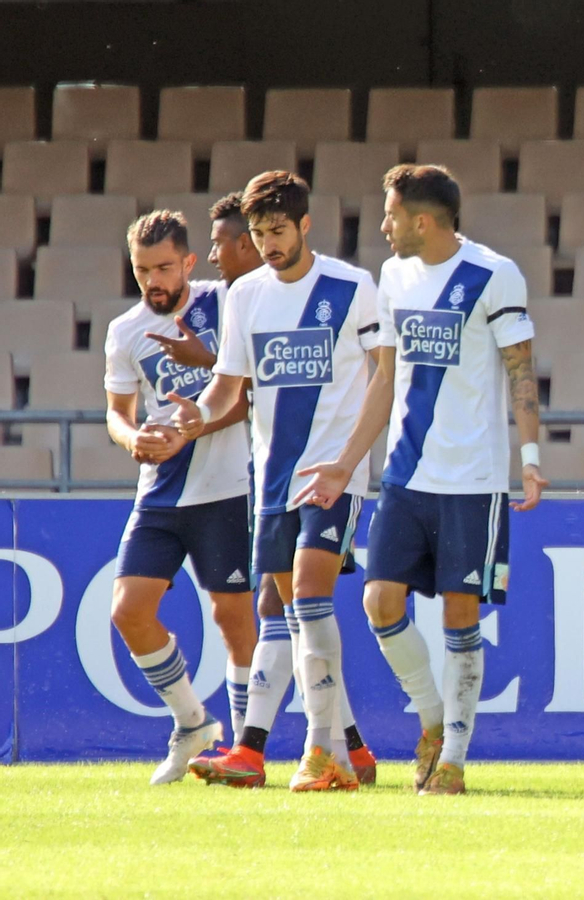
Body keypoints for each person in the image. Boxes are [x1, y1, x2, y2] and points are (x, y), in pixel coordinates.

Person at [294, 164, 543, 795]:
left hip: (473, 478)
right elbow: (385, 379)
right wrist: (348, 463)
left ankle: (453, 760)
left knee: (462, 612)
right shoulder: (395, 277)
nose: (382, 226)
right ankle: (432, 719)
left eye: (391, 215)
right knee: (380, 602)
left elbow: (522, 373)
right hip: (405, 475)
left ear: (422, 221)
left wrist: (532, 456)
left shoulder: (494, 274)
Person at [174, 171, 381, 792]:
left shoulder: (351, 287)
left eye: (278, 230)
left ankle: (321, 755)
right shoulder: (246, 297)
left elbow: (383, 379)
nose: (268, 243)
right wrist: (196, 416)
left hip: (332, 474)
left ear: (305, 225)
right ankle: (342, 750)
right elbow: (229, 386)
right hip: (272, 478)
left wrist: (353, 462)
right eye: (259, 233)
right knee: (292, 616)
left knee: (311, 598)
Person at [102, 210, 255, 784]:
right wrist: (133, 436)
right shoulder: (125, 331)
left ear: (190, 262)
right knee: (129, 611)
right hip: (161, 491)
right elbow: (117, 415)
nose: (154, 281)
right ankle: (192, 723)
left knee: (233, 619)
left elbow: (248, 397)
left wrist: (190, 428)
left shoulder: (226, 304)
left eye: (164, 267)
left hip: (227, 487)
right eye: (143, 270)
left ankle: (245, 750)